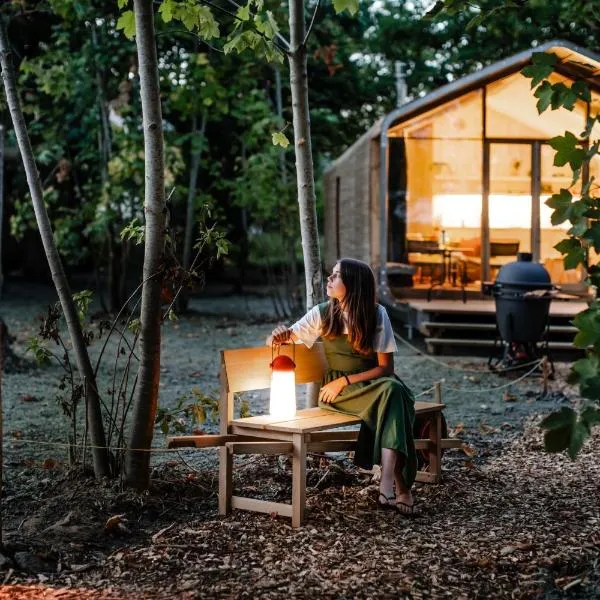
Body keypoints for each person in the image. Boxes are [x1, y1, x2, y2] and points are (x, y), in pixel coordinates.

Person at [268, 258, 417, 516]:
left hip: (369, 383)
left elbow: (386, 369)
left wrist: (347, 380)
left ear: (352, 284)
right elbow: (282, 338)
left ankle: (387, 480)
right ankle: (399, 485)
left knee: (394, 392)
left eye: (335, 276)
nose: (329, 279)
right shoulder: (323, 313)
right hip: (336, 393)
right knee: (396, 395)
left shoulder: (376, 314)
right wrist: (277, 334)